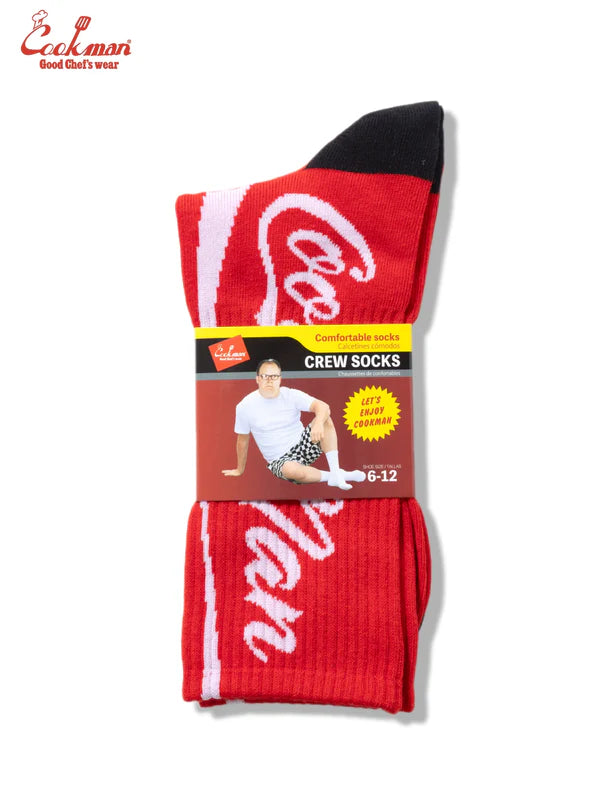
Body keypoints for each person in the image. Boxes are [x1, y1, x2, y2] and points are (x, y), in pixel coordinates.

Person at [222, 359, 365, 490]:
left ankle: (335, 471)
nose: (270, 381)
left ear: (280, 379)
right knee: (292, 471)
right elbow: (242, 440)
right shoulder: (245, 406)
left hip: (304, 445)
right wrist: (239, 469)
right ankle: (335, 476)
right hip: (280, 460)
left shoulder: (290, 395)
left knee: (325, 417)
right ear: (258, 379)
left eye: (274, 376)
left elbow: (323, 406)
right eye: (265, 376)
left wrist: (318, 423)